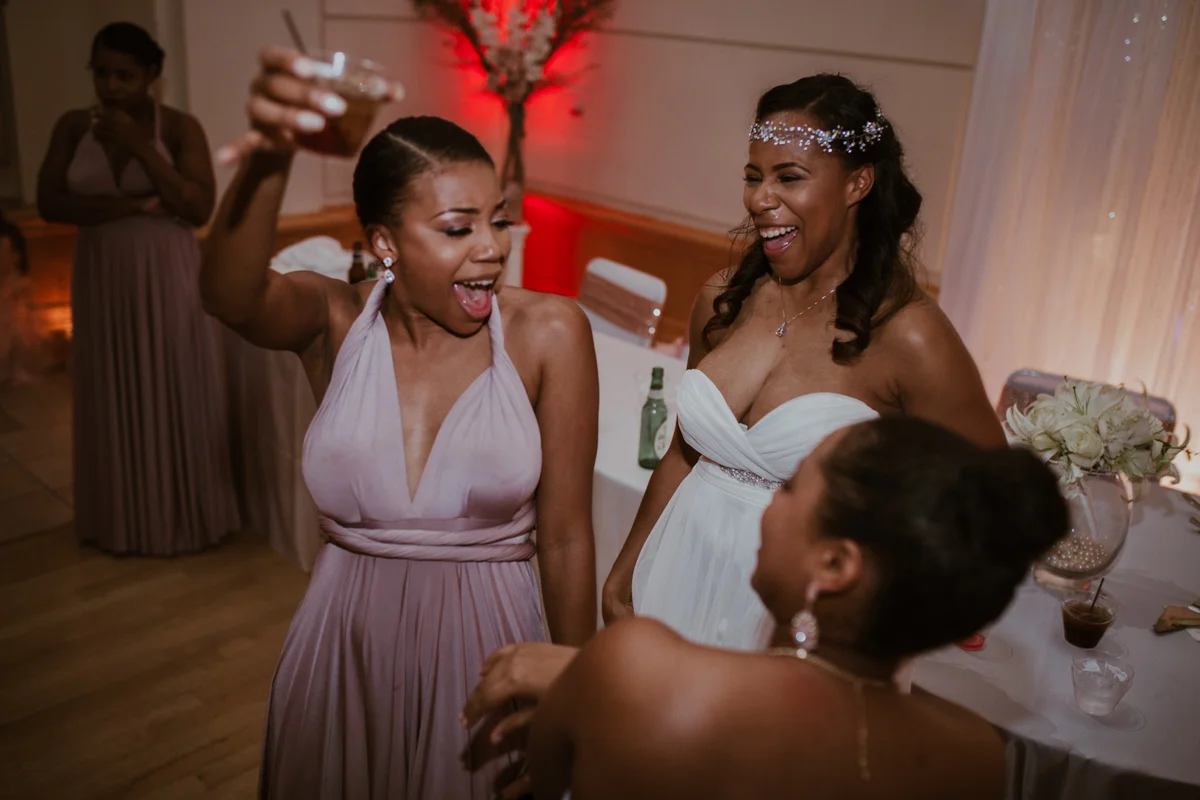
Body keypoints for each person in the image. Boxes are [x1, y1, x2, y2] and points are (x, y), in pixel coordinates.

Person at [202, 47, 598, 798]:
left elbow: (570, 537)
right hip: (343, 643)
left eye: (498, 219)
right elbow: (228, 295)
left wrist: (576, 706)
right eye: (457, 229)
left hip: (488, 651)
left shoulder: (550, 333)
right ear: (385, 244)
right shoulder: (334, 317)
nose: (492, 248)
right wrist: (270, 154)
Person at [602, 74, 1006, 653]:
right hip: (677, 570)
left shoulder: (909, 336)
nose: (760, 199)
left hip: (804, 618)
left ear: (857, 184)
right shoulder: (722, 300)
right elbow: (683, 453)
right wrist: (627, 566)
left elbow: (994, 499)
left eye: (788, 177)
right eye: (753, 176)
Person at [466, 417, 1068, 799]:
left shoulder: (634, 668)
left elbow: (546, 782)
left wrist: (584, 680)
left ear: (834, 566)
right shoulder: (973, 757)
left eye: (787, 485)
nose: (767, 506)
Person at [36, 22, 238, 554]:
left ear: (151, 76)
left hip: (166, 269)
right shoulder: (72, 125)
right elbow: (50, 203)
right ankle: (121, 520)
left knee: (171, 375)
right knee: (112, 382)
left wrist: (139, 149)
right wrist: (133, 207)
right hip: (101, 271)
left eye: (125, 75)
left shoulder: (177, 128)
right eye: (101, 73)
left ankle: (184, 517)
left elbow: (198, 207)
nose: (111, 86)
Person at [0, 214, 50, 386]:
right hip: (7, 287)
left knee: (17, 330)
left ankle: (15, 369)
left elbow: (16, 263)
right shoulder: (11, 234)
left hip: (11, 286)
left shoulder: (9, 236)